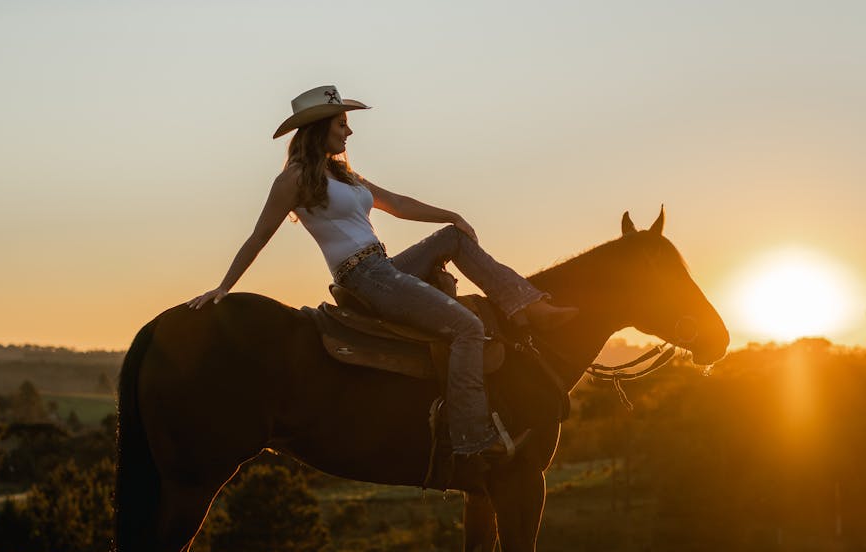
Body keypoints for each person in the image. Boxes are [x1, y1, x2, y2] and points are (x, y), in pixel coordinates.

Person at [188, 85, 577, 458]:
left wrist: (451, 215)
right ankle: (470, 435)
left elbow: (396, 203)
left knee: (453, 239)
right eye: (341, 123)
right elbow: (258, 236)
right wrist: (223, 287)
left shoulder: (344, 174)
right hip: (363, 276)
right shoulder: (292, 180)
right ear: (319, 128)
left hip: (384, 266)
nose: (349, 130)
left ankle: (527, 305)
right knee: (467, 328)